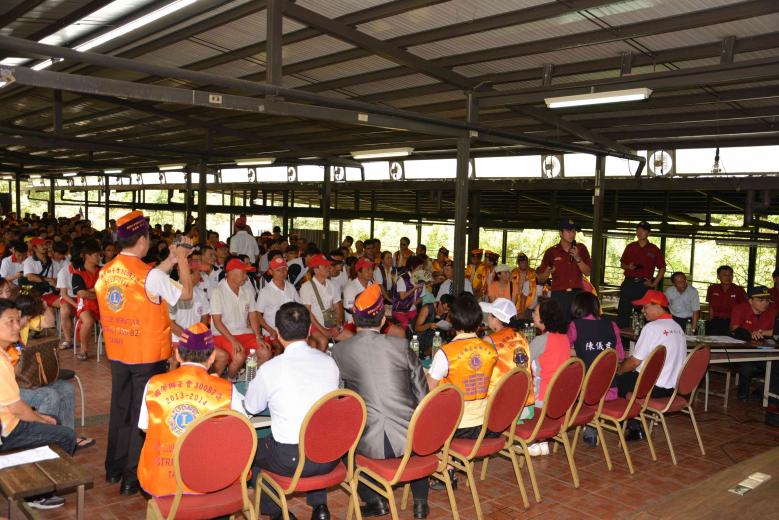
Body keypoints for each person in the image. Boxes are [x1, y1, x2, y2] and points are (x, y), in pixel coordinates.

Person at [96, 210, 194, 496]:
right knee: (142, 415)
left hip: (118, 351)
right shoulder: (148, 275)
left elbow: (149, 279)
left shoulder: (107, 269)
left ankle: (113, 468)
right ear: (142, 241)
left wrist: (171, 259)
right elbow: (186, 294)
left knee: (121, 409)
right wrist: (183, 260)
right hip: (147, 355)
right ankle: (131, 477)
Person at [332, 285, 430, 519]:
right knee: (419, 428)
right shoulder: (401, 346)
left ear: (354, 320)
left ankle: (375, 501)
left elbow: (343, 397)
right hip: (409, 438)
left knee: (343, 449)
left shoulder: (340, 351)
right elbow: (422, 396)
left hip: (369, 441)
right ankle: (420, 504)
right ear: (383, 319)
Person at [245, 302, 339, 520]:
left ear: (277, 333)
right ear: (309, 330)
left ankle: (276, 512)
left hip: (291, 460)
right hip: (330, 456)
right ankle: (320, 507)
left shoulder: (270, 369)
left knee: (253, 448)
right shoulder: (329, 363)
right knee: (315, 434)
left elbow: (251, 407)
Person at [137, 323, 241, 497]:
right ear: (212, 357)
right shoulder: (227, 390)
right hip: (209, 481)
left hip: (161, 481)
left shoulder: (153, 384)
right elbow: (241, 431)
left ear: (177, 354)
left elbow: (144, 427)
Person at [0, 298, 76, 510]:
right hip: (6, 432)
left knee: (55, 420)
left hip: (7, 421)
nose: (17, 326)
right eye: (10, 321)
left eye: (18, 320)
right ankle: (37, 493)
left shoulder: (5, 353)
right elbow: (17, 409)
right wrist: (40, 419)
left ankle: (35, 477)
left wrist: (40, 418)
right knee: (66, 436)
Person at [428, 293, 497, 481]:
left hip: (458, 425)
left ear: (452, 320)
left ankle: (446, 465)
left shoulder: (446, 353)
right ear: (479, 321)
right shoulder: (490, 350)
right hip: (486, 423)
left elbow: (429, 390)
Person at [614, 290, 687, 440]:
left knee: (613, 380)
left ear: (657, 306)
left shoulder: (652, 327)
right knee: (627, 378)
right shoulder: (678, 328)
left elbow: (634, 362)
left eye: (645, 307)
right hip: (672, 389)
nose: (642, 311)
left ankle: (633, 426)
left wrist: (619, 370)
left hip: (651, 388)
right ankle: (633, 421)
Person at [567, 292, 625, 446]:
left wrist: (580, 352)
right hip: (610, 389)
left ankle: (586, 424)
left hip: (585, 391)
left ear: (576, 306)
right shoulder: (612, 325)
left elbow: (564, 349)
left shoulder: (575, 325)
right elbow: (620, 356)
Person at [210, 258, 269, 378]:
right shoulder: (217, 291)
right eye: (243, 273)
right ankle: (229, 381)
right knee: (239, 356)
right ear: (231, 273)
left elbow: (253, 315)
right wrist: (233, 340)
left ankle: (245, 379)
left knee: (265, 353)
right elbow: (217, 322)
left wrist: (258, 337)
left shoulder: (248, 290)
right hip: (223, 335)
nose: (246, 277)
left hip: (245, 333)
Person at [527, 297, 572, 455]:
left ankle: (530, 440)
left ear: (544, 318)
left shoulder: (541, 340)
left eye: (535, 312)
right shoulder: (564, 338)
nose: (532, 315)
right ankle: (543, 440)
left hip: (541, 398)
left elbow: (522, 361)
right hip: (559, 396)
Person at [481, 298, 533, 410]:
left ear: (496, 318)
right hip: (525, 401)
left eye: (490, 315)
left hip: (502, 405)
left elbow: (481, 372)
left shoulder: (489, 340)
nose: (488, 318)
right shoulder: (521, 335)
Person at [537, 219, 592, 323]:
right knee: (559, 325)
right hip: (559, 295)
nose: (572, 234)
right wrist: (548, 271)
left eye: (574, 231)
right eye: (568, 231)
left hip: (577, 294)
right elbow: (541, 279)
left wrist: (577, 258)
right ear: (561, 233)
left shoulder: (581, 248)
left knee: (578, 325)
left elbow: (588, 272)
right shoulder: (551, 252)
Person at [730, 286, 777, 401]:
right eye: (761, 300)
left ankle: (761, 393)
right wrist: (750, 334)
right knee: (747, 366)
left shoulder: (773, 311)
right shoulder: (740, 309)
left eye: (767, 300)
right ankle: (743, 396)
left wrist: (762, 332)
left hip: (765, 352)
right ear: (750, 301)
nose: (765, 303)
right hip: (743, 351)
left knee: (775, 367)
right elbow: (734, 328)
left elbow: (777, 330)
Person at [617, 221, 666, 328]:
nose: (639, 233)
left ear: (648, 233)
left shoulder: (654, 249)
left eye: (643, 230)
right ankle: (621, 336)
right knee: (623, 312)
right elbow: (622, 264)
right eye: (638, 230)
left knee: (644, 313)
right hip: (629, 283)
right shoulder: (630, 247)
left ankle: (644, 336)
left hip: (644, 285)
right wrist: (628, 266)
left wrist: (654, 283)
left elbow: (662, 268)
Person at [255, 256, 301, 344]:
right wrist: (270, 330)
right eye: (278, 270)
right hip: (272, 332)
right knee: (280, 347)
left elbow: (299, 308)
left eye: (284, 269)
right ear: (270, 272)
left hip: (290, 330)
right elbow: (258, 315)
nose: (282, 273)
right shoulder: (265, 291)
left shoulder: (291, 287)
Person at [71, 240, 101, 361]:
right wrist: (98, 292)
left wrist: (91, 290)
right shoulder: (78, 273)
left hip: (104, 305)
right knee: (88, 321)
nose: (99, 257)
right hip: (85, 305)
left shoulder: (103, 270)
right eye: (96, 255)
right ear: (87, 256)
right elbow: (82, 293)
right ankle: (83, 350)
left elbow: (109, 288)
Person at [705, 265, 747, 335]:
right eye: (725, 275)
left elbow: (744, 307)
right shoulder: (712, 288)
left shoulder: (739, 290)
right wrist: (710, 320)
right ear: (718, 276)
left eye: (730, 275)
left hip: (732, 321)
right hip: (715, 320)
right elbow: (711, 306)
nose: (728, 277)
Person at [392, 255, 425, 331]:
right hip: (400, 310)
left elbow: (422, 297)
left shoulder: (421, 279)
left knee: (419, 323)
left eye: (422, 268)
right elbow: (402, 297)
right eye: (419, 268)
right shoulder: (403, 279)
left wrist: (416, 302)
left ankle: (415, 337)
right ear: (412, 267)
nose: (421, 270)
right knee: (405, 324)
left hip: (412, 309)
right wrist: (415, 288)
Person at [343, 257, 374, 326]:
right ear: (359, 273)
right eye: (368, 269)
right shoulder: (350, 288)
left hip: (370, 320)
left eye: (371, 269)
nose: (371, 272)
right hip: (354, 323)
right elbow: (351, 308)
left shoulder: (371, 284)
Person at [511, 252, 537, 321]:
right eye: (521, 262)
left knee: (527, 319)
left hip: (529, 299)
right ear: (518, 263)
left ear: (527, 262)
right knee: (516, 319)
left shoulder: (533, 272)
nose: (523, 264)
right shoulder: (513, 272)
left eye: (525, 262)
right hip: (516, 299)